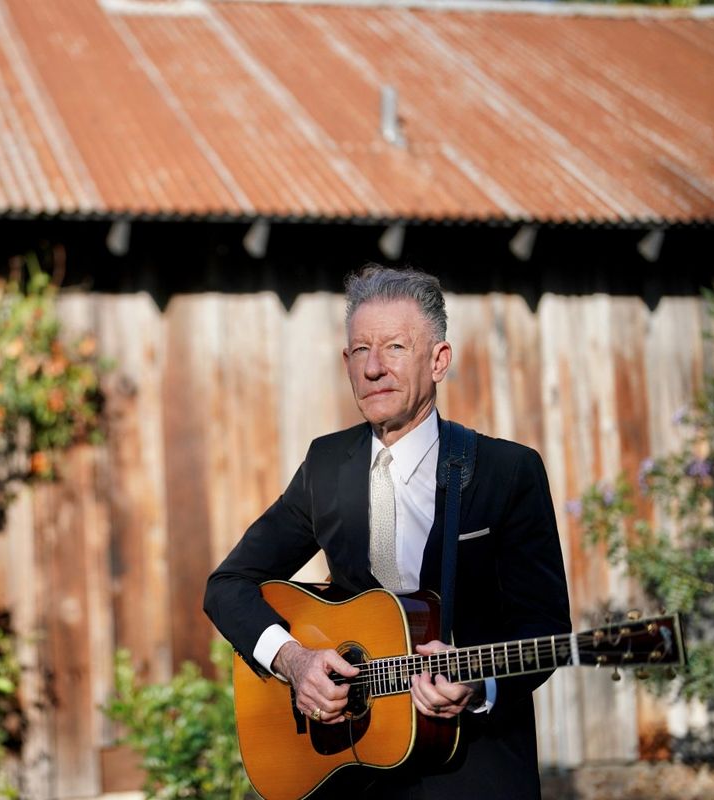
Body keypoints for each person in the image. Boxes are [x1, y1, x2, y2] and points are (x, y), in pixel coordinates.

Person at [203, 265, 570, 799]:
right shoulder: (325, 465)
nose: (374, 368)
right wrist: (294, 659)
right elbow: (228, 584)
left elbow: (546, 627)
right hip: (351, 768)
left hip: (474, 772)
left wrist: (479, 684)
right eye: (359, 351)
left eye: (395, 347)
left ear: (439, 360)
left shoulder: (506, 471)